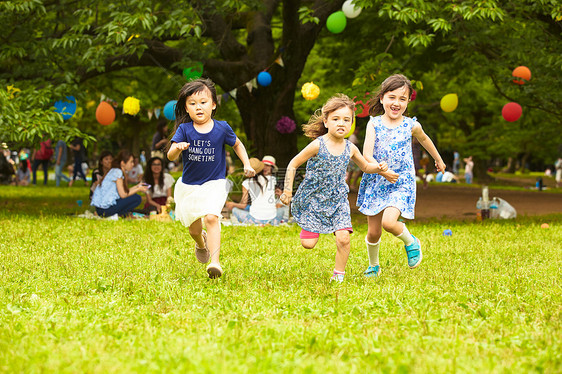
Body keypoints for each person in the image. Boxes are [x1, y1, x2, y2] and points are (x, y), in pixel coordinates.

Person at [280, 94, 393, 283]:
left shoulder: (351, 148)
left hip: (337, 199)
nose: (341, 123)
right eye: (336, 119)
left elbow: (365, 167)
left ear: (351, 124)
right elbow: (293, 164)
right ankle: (310, 226)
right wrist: (287, 191)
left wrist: (379, 169)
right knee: (308, 244)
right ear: (325, 121)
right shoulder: (318, 145)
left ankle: (338, 275)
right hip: (313, 199)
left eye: (346, 120)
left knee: (343, 238)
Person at [357, 74, 446, 277]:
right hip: (377, 179)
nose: (396, 103)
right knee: (373, 232)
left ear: (407, 102)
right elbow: (367, 155)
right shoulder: (373, 124)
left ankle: (411, 242)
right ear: (382, 99)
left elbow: (425, 140)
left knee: (388, 222)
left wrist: (438, 159)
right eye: (392, 97)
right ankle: (374, 266)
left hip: (400, 181)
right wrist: (381, 169)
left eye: (402, 99)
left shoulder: (411, 125)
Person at [167, 78, 255, 279]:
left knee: (211, 217)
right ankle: (200, 242)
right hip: (190, 186)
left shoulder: (222, 128)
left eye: (203, 102)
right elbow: (170, 155)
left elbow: (238, 145)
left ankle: (215, 262)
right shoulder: (184, 130)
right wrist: (177, 149)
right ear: (187, 109)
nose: (198, 107)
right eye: (192, 103)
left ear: (213, 105)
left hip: (215, 183)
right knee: (194, 228)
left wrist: (247, 163)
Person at [91, 150, 148, 217]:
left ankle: (121, 214)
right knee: (137, 198)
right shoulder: (118, 172)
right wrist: (138, 189)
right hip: (105, 210)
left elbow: (124, 191)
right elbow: (123, 194)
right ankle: (120, 214)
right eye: (131, 162)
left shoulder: (114, 170)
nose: (133, 164)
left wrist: (137, 186)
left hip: (100, 209)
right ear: (123, 163)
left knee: (134, 197)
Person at [225, 157, 281, 225]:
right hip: (272, 218)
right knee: (281, 210)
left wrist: (233, 204)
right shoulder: (273, 180)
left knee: (235, 210)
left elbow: (243, 205)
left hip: (254, 219)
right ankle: (269, 223)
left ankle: (257, 223)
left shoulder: (246, 183)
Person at [345, 125, 362, 191]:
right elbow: (353, 147)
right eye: (357, 130)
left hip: (351, 157)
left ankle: (349, 185)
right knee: (358, 170)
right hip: (352, 158)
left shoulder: (352, 136)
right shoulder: (352, 137)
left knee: (351, 171)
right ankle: (352, 184)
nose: (358, 132)